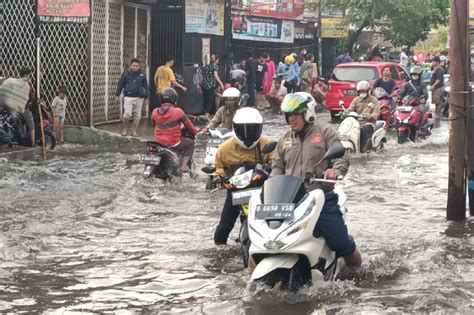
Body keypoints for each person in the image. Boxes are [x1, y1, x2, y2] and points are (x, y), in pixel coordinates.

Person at [270, 93, 362, 267]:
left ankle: (360, 272)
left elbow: (341, 157)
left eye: (296, 114)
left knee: (342, 245)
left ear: (308, 113)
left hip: (321, 199)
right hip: (290, 201)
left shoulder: (325, 132)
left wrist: (335, 170)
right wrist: (271, 184)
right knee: (266, 243)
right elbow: (277, 167)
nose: (292, 119)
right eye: (289, 115)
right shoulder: (284, 139)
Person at [213, 107, 272, 245]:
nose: (248, 135)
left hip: (262, 193)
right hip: (235, 192)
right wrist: (219, 177)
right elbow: (219, 167)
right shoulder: (224, 149)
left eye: (253, 130)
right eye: (244, 130)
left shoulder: (267, 144)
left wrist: (267, 170)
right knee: (222, 231)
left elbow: (277, 165)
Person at [151, 88, 199, 172]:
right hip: (173, 143)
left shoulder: (154, 111)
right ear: (174, 99)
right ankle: (183, 166)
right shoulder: (178, 112)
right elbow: (191, 128)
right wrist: (196, 130)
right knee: (190, 144)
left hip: (158, 143)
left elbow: (154, 126)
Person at [116, 58, 149, 137]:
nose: (135, 67)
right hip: (128, 97)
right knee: (127, 114)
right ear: (131, 66)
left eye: (137, 66)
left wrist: (147, 98)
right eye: (133, 65)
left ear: (139, 66)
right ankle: (124, 130)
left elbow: (146, 86)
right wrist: (117, 95)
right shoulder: (126, 74)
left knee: (137, 116)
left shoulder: (142, 75)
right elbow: (120, 84)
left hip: (139, 98)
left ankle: (134, 131)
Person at [347, 81, 381, 152]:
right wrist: (345, 112)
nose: (362, 93)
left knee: (364, 131)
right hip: (356, 122)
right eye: (360, 91)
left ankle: (363, 148)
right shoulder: (356, 100)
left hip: (369, 123)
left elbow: (376, 113)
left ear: (368, 91)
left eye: (364, 91)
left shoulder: (374, 100)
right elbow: (350, 109)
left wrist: (369, 115)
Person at [18, 68, 36, 146]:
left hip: (16, 108)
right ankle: (33, 143)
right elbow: (31, 98)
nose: (30, 76)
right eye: (29, 75)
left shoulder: (16, 83)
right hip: (24, 108)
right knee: (32, 126)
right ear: (25, 75)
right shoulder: (26, 85)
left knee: (19, 124)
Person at [429, 56, 444, 128]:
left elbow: (439, 79)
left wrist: (433, 86)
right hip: (435, 89)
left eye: (433, 61)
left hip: (438, 89)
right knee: (436, 104)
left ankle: (437, 120)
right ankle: (436, 120)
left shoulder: (439, 69)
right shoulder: (436, 69)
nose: (432, 62)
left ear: (437, 62)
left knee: (438, 104)